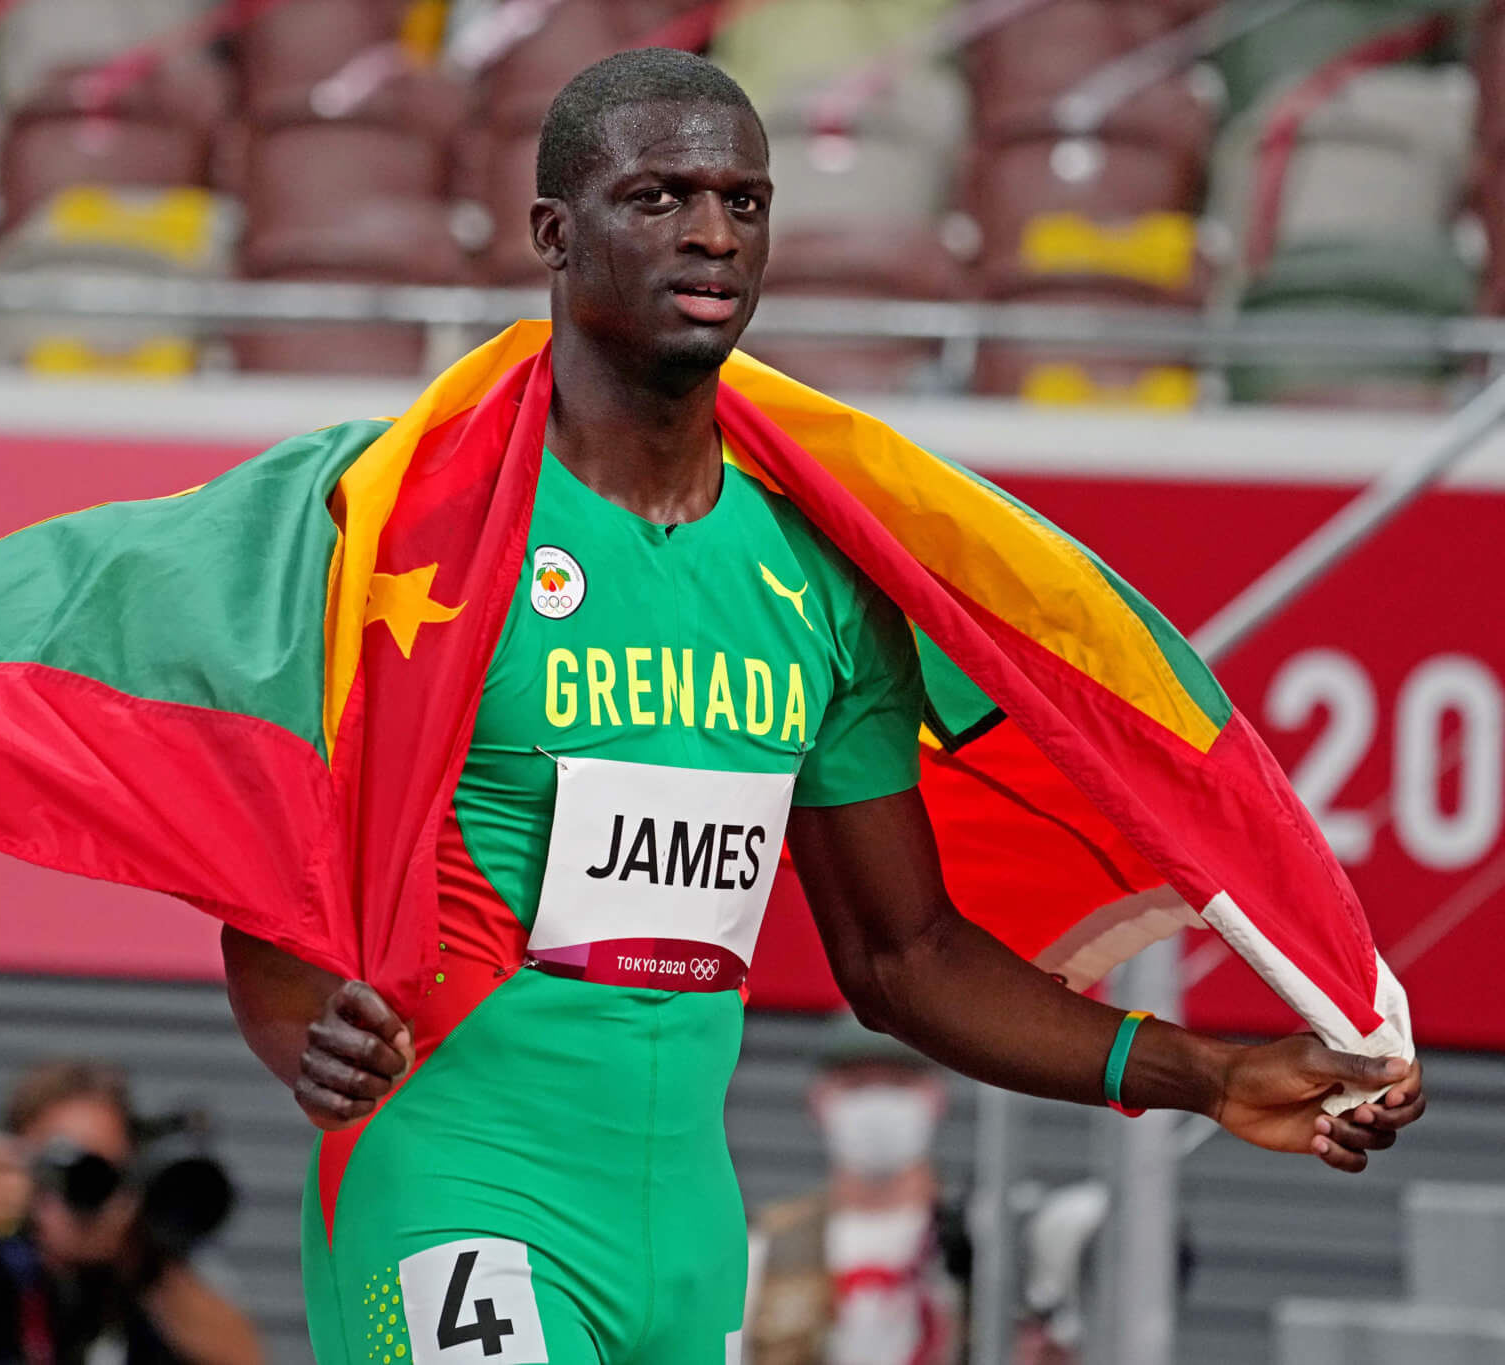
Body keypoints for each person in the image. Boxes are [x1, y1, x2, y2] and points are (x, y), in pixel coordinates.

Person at [216, 47, 1429, 1365]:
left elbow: (903, 957)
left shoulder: (816, 573)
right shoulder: (424, 529)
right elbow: (255, 841)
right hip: (452, 1186)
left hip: (684, 1237)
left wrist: (1210, 1070)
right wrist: (300, 1038)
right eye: (660, 197)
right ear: (552, 235)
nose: (711, 233)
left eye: (745, 201)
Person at [0, 1058, 264, 1365]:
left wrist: (137, 1254)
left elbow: (244, 1357)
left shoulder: (156, 1271)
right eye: (67, 1168)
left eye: (104, 1170)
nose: (86, 1191)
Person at [747, 1016, 964, 1365]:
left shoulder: (981, 1242)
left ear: (937, 1096)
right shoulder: (763, 1248)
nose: (877, 1105)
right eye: (856, 1084)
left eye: (899, 1083)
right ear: (817, 1100)